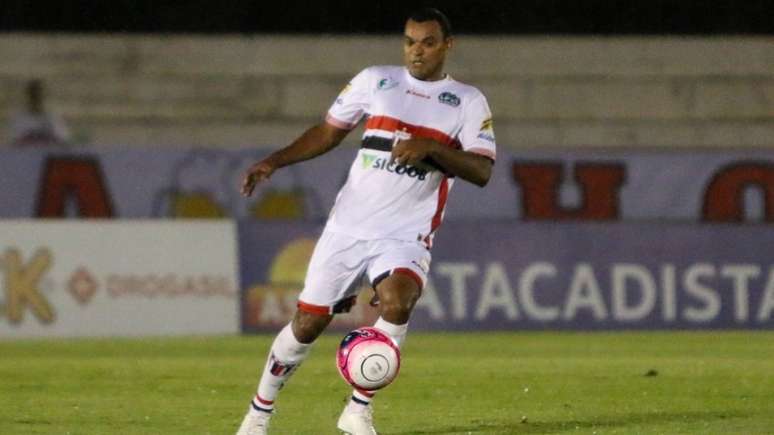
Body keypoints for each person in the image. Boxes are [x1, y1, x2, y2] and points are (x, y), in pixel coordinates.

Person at [236, 8, 496, 435]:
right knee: (306, 325)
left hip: (406, 233)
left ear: (448, 46)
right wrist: (274, 162)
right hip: (348, 228)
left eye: (429, 42)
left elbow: (481, 171)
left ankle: (357, 409)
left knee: (398, 301)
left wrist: (430, 147)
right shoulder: (376, 80)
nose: (417, 51)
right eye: (410, 41)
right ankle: (258, 414)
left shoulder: (467, 101)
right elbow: (327, 132)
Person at [8, 79, 72, 147]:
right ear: (28, 96)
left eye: (38, 95)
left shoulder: (52, 118)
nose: (36, 98)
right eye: (33, 95)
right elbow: (14, 143)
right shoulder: (19, 118)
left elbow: (63, 141)